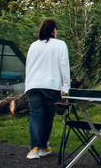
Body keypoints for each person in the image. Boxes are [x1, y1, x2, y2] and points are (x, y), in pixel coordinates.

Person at [23, 19, 70, 159]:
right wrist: (66, 86)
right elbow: (64, 66)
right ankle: (43, 146)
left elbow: (28, 66)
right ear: (54, 30)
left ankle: (34, 148)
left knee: (36, 116)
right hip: (52, 86)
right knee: (48, 117)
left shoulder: (33, 46)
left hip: (33, 85)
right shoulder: (60, 44)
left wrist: (28, 84)